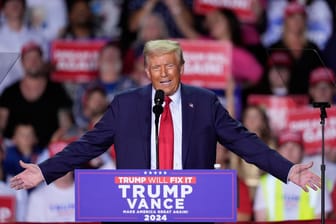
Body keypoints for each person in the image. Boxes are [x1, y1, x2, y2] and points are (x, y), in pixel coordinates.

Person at [10, 40, 320, 196]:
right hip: (137, 208)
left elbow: (245, 143)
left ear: (182, 67)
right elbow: (87, 146)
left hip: (192, 206)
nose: (163, 74)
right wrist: (45, 171)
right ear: (146, 71)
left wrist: (289, 170)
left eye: (170, 66)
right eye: (156, 68)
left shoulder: (205, 102)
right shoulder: (125, 105)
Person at [253, 130, 332, 221]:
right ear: (278, 151)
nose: (289, 151)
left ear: (302, 152)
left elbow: (321, 218)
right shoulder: (265, 182)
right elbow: (260, 219)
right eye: (285, 146)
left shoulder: (316, 180)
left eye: (294, 146)